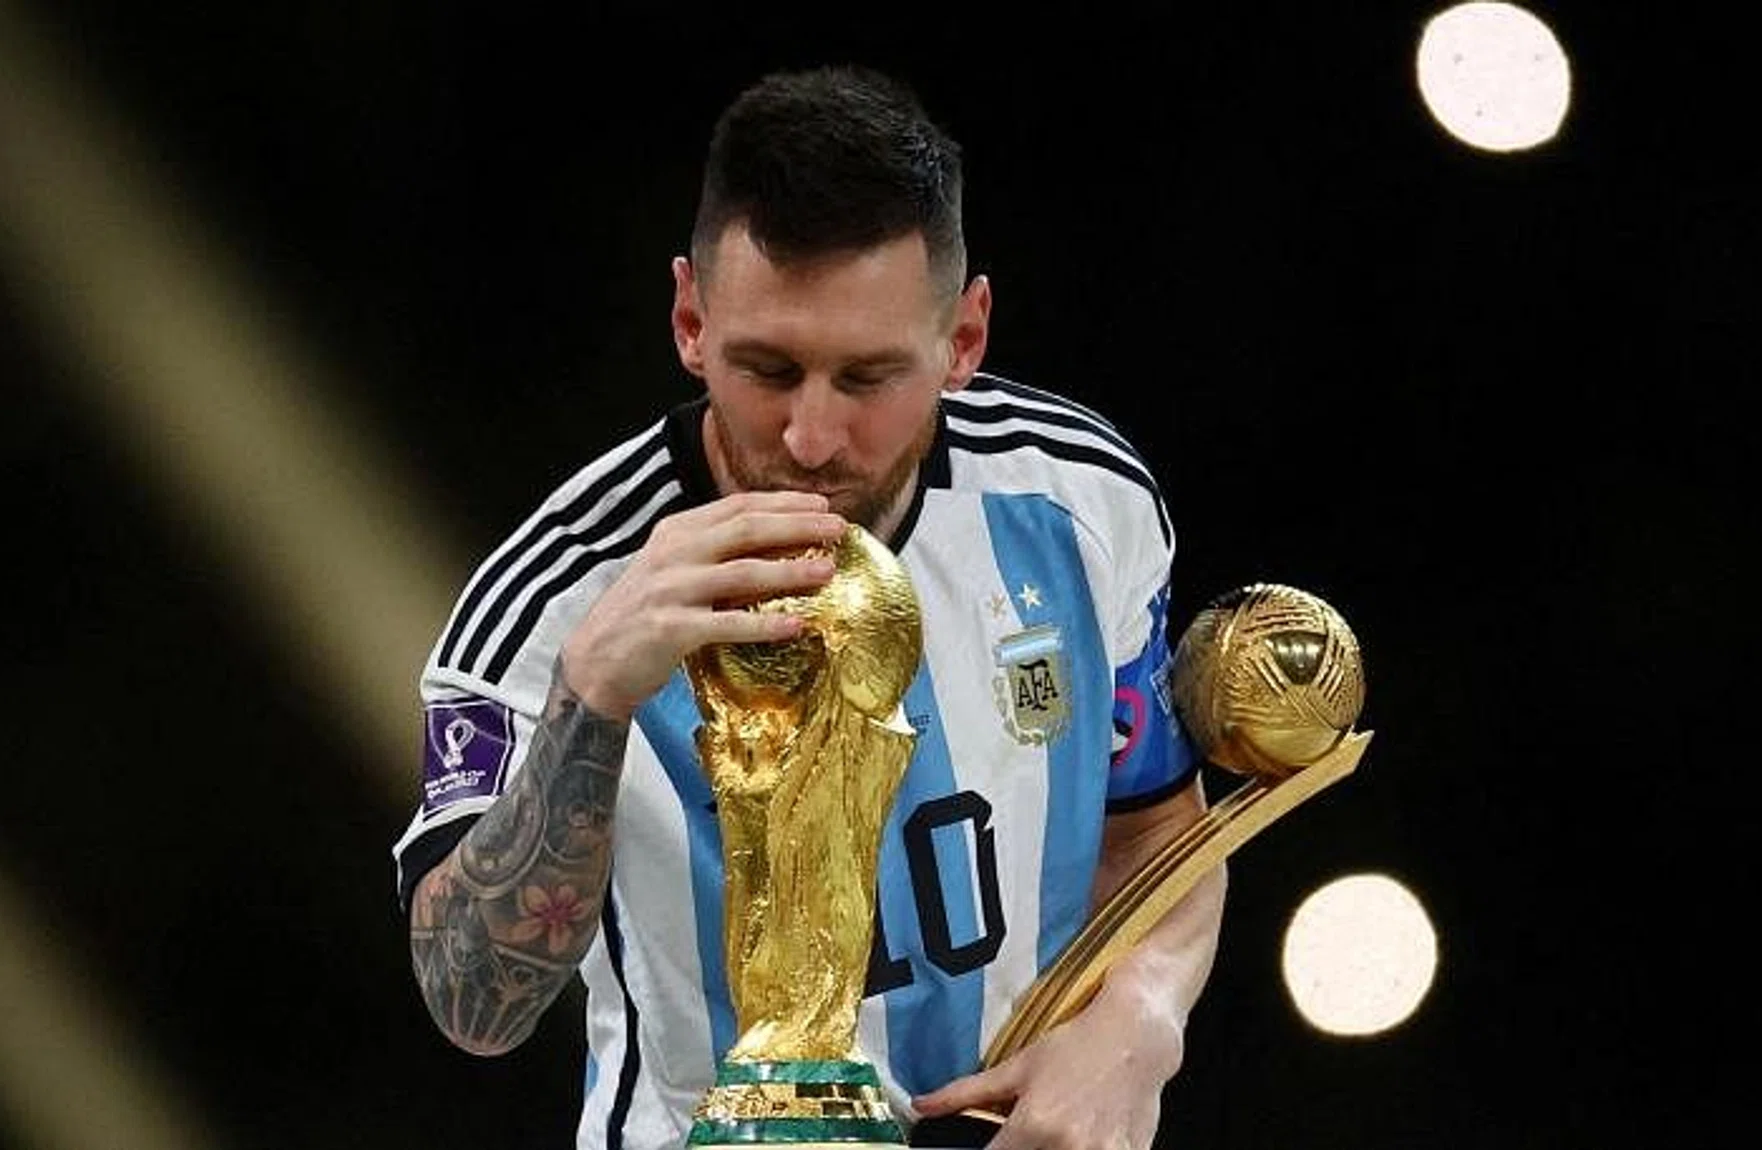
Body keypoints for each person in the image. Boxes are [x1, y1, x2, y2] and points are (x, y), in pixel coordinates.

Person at [392, 64, 1227, 1150]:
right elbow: (473, 1004)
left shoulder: (1079, 501)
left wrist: (1142, 1020)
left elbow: (1162, 828)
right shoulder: (555, 601)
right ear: (691, 319)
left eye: (869, 377)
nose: (811, 439)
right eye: (768, 368)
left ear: (963, 341)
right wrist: (590, 700)